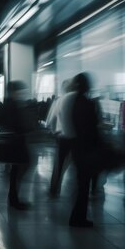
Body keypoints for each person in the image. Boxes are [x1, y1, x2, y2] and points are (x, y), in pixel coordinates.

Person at [69, 73, 99, 227]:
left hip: (78, 147)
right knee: (84, 185)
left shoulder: (75, 102)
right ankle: (78, 217)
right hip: (86, 149)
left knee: (81, 183)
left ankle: (77, 216)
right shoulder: (87, 103)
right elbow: (92, 128)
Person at [0, 81, 34, 210]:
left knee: (17, 170)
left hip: (15, 142)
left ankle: (13, 197)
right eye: (19, 90)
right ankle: (14, 198)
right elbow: (16, 123)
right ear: (14, 91)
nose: (21, 93)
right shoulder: (13, 105)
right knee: (21, 167)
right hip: (16, 143)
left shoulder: (9, 104)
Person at [45, 79, 77, 197]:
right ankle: (76, 191)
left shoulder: (58, 101)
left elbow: (50, 120)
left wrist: (55, 132)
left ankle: (54, 188)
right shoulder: (76, 99)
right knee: (76, 164)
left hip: (62, 137)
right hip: (76, 137)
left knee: (59, 163)